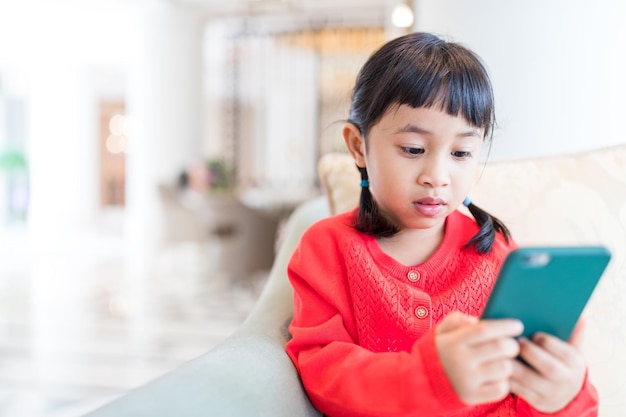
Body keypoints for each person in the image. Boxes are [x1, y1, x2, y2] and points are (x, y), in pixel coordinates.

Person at [285, 32, 597, 416]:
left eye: (462, 152)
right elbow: (323, 374)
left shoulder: (498, 255)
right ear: (357, 146)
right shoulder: (327, 246)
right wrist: (430, 378)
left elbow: (527, 391)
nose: (437, 175)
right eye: (413, 149)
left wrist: (564, 396)